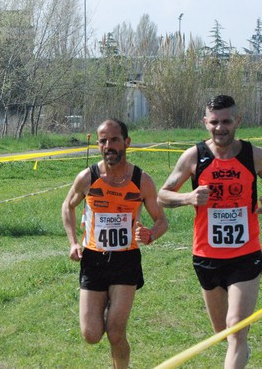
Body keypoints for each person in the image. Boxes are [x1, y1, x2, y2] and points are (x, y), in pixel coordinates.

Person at [157, 95, 262, 369]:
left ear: (237, 121)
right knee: (223, 334)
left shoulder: (253, 155)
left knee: (235, 327)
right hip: (207, 256)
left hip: (245, 254)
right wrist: (188, 198)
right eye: (214, 122)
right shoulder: (194, 157)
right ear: (205, 123)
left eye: (226, 121)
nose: (220, 128)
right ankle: (240, 351)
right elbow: (162, 195)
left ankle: (238, 349)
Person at [62, 119, 168, 369]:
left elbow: (162, 220)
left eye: (114, 140)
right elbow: (68, 205)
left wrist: (151, 234)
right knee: (91, 335)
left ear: (126, 142)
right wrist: (73, 242)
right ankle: (109, 307)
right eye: (103, 141)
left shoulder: (142, 180)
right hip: (93, 260)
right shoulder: (88, 177)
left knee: (116, 333)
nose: (108, 146)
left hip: (125, 260)